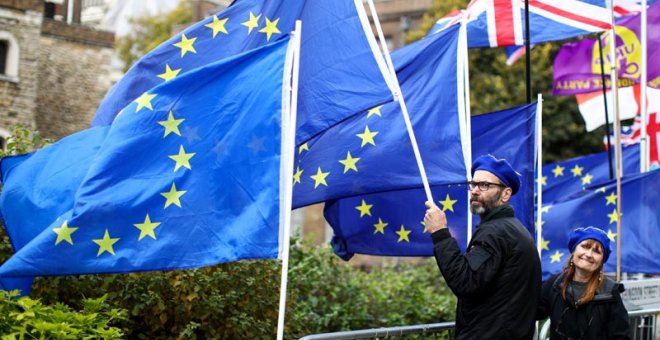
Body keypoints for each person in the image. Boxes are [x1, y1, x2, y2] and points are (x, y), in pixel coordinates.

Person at [424, 154, 541, 339]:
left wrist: (440, 233)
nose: (475, 191)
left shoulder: (496, 232)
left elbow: (465, 281)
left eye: (485, 185)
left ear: (506, 194)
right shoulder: (510, 229)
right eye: (473, 184)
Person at [537, 227, 630, 339]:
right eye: (585, 246)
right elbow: (530, 312)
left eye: (596, 251)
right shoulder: (555, 284)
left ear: (601, 261)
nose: (589, 254)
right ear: (574, 251)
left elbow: (620, 336)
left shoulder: (610, 292)